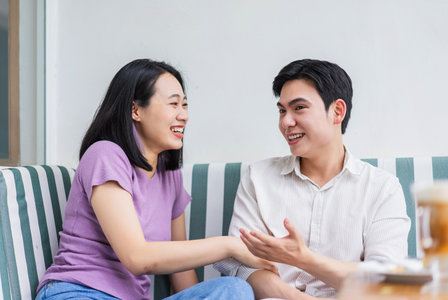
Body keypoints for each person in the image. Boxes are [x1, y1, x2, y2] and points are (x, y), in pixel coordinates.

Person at [35, 59, 277, 300]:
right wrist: (230, 246)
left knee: (235, 289)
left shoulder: (169, 175)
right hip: (80, 293)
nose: (184, 115)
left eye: (185, 105)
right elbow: (136, 257)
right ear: (136, 110)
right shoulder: (106, 154)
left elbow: (181, 272)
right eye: (173, 104)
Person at [214, 59, 411, 299]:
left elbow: (384, 280)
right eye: (282, 110)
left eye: (299, 108)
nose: (286, 122)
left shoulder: (382, 188)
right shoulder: (258, 177)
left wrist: (303, 259)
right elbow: (241, 266)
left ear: (337, 111)